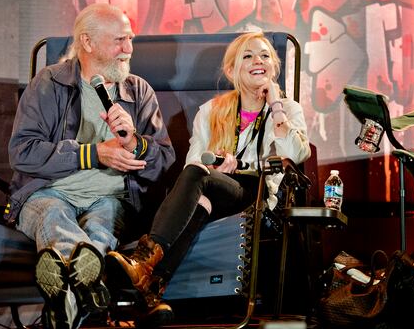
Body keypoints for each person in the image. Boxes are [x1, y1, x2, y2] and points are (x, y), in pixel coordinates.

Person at [106, 32, 311, 326]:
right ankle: (152, 288)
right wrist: (218, 167)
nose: (258, 61)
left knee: (202, 185)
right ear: (232, 70)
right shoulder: (211, 111)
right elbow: (193, 165)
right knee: (199, 197)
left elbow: (297, 154)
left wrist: (276, 104)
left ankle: (143, 262)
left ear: (274, 67)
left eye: (265, 56)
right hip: (217, 190)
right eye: (249, 56)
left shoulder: (288, 110)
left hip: (258, 194)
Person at [7, 3, 175, 329]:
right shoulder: (48, 83)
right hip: (47, 192)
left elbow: (163, 163)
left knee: (103, 220)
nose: (129, 49)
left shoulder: (138, 91)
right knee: (54, 214)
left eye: (130, 40)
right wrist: (94, 154)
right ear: (87, 42)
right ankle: (88, 288)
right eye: (119, 40)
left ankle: (67, 302)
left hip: (111, 197)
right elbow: (23, 152)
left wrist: (135, 143)